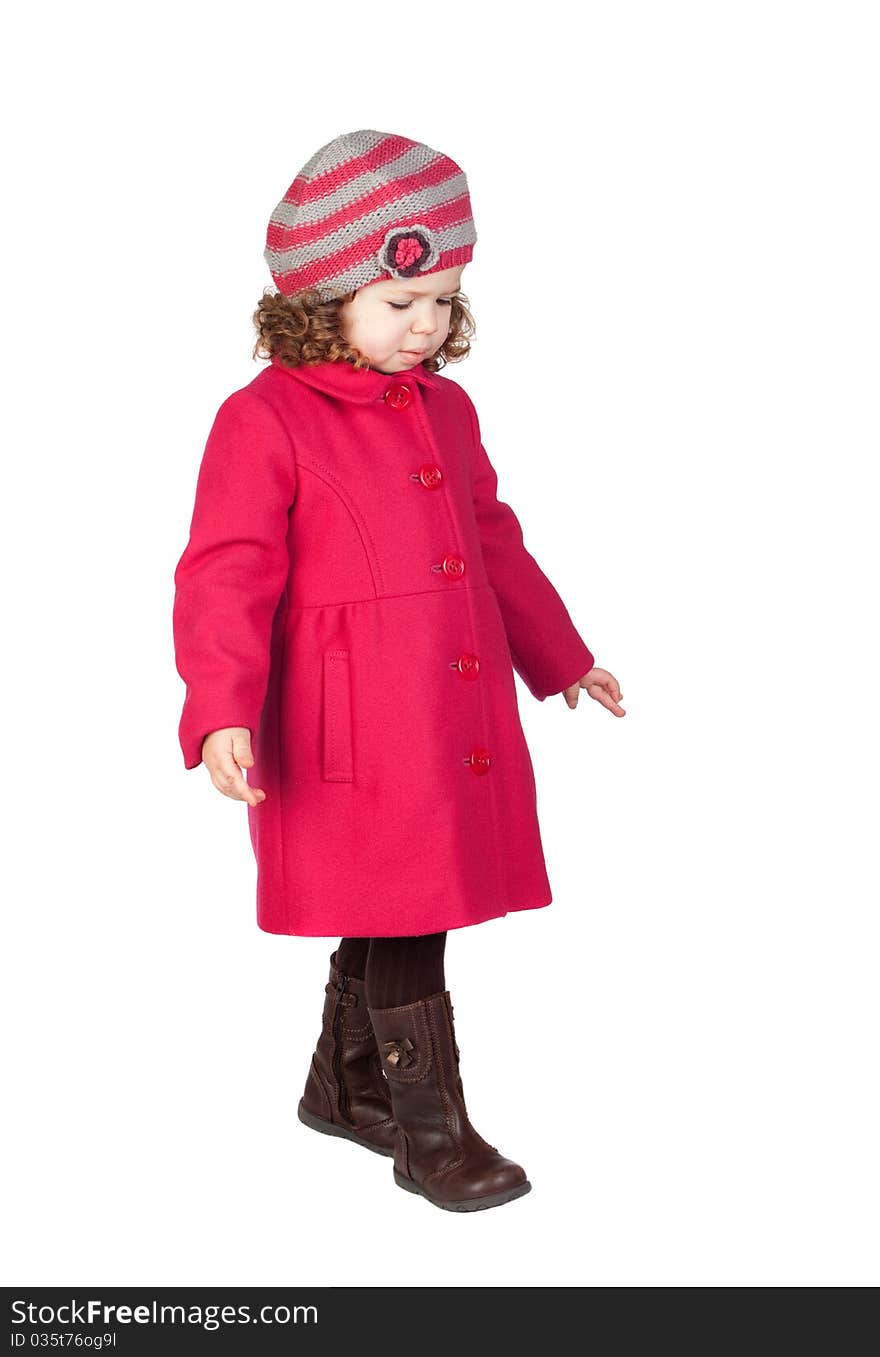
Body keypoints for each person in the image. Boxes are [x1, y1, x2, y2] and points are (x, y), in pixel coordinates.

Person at [172, 129, 626, 1213]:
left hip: (439, 705)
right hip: (346, 722)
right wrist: (218, 711)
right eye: (396, 303)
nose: (424, 326)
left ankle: (345, 1089)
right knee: (406, 901)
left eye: (442, 303)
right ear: (318, 299)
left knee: (398, 897)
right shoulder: (263, 418)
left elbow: (491, 539)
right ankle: (432, 1132)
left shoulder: (444, 409)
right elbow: (223, 574)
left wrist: (560, 655)